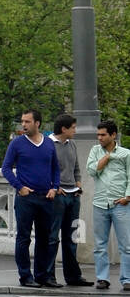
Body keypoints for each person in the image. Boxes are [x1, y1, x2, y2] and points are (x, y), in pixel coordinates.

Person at [1, 109, 60, 288]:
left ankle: (43, 275)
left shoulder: (49, 144)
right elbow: (6, 168)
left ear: (37, 123)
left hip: (46, 198)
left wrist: (55, 187)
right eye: (22, 121)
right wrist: (20, 187)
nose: (24, 125)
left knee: (45, 238)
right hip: (26, 198)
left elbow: (55, 168)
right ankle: (25, 276)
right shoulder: (17, 144)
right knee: (24, 238)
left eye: (27, 121)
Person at [46, 113, 93, 286]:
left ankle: (73, 276)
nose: (75, 130)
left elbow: (76, 168)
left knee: (72, 236)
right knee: (52, 237)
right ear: (63, 128)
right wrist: (54, 186)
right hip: (58, 196)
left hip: (73, 195)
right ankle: (49, 275)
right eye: (73, 127)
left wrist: (78, 185)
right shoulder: (48, 144)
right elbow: (45, 169)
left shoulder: (71, 144)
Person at [86, 120, 130, 291]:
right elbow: (91, 171)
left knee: (126, 244)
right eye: (98, 135)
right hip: (100, 203)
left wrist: (127, 197)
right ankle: (102, 278)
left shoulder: (126, 153)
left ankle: (126, 279)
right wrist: (106, 158)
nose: (100, 138)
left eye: (103, 135)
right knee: (100, 244)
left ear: (113, 135)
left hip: (121, 203)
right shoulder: (95, 151)